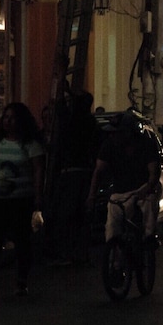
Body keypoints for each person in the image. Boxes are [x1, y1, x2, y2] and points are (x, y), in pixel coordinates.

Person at [0, 102, 45, 297]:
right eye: (5, 117)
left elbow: (38, 171)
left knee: (22, 241)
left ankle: (21, 281)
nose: (8, 121)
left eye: (12, 118)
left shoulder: (30, 144)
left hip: (21, 200)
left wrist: (38, 198)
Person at [86, 110, 162, 245]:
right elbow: (99, 171)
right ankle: (114, 259)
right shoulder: (109, 146)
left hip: (143, 189)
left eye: (117, 133)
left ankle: (149, 238)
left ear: (128, 132)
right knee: (112, 227)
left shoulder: (145, 144)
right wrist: (92, 195)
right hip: (119, 191)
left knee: (149, 208)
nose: (113, 136)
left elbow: (153, 172)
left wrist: (148, 187)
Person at [47, 91, 99, 266]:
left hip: (71, 173)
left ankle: (67, 253)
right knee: (81, 215)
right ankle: (80, 252)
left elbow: (60, 110)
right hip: (85, 172)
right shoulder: (92, 124)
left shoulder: (72, 123)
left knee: (66, 214)